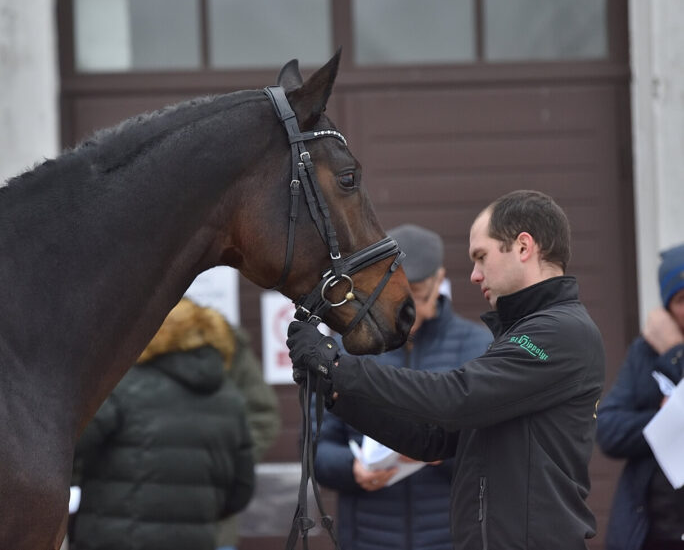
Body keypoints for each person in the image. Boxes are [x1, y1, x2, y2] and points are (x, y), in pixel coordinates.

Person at [287, 190, 606, 549]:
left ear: (523, 247)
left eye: (481, 257)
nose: (473, 275)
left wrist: (340, 366)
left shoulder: (561, 331)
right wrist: (336, 391)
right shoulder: (520, 333)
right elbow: (434, 439)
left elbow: (457, 397)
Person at [314, 224, 492, 550]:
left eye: (419, 294)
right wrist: (351, 469)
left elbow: (498, 451)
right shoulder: (348, 349)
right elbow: (315, 448)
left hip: (451, 537)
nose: (408, 309)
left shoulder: (479, 347)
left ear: (441, 279)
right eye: (400, 295)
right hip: (368, 537)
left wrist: (444, 452)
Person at [69, 298, 255, 550]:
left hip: (114, 540)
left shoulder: (123, 387)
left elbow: (66, 451)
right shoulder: (231, 400)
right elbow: (241, 490)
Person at [596, 242, 684, 550]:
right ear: (666, 308)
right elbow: (607, 429)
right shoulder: (645, 352)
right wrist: (664, 420)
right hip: (651, 532)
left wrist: (675, 353)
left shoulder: (668, 350)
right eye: (682, 299)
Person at [216, 325, 281, 550]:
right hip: (129, 526)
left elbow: (261, 414)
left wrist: (227, 466)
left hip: (213, 525)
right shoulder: (122, 336)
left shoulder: (220, 339)